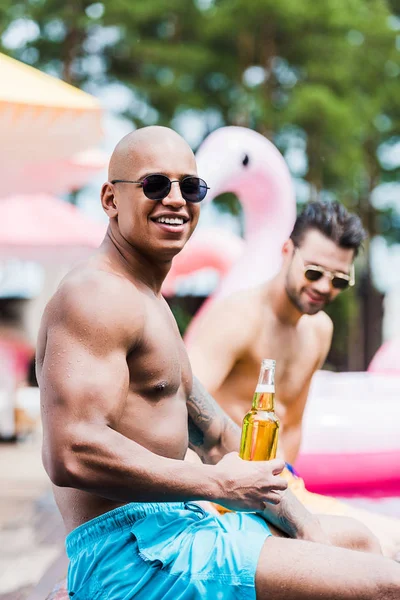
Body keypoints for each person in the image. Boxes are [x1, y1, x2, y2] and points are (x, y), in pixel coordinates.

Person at [37, 127, 400, 600]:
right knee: (386, 586)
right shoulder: (96, 294)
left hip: (179, 529)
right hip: (133, 553)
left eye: (190, 187)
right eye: (154, 185)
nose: (175, 200)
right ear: (110, 199)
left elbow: (218, 437)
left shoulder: (149, 301)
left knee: (356, 542)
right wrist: (218, 485)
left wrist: (307, 526)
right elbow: (71, 451)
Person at [186, 200, 400, 558]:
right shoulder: (239, 318)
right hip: (229, 491)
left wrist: (291, 503)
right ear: (287, 251)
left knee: (394, 539)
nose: (324, 287)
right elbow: (178, 408)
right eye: (314, 272)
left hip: (280, 491)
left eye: (339, 280)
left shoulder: (319, 330)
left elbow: (293, 426)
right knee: (371, 549)